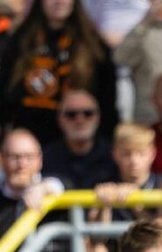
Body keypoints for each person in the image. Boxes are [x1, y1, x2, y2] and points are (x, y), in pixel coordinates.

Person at [0, 0, 118, 145]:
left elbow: (107, 100)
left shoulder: (92, 44)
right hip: (29, 141)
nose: (59, 2)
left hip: (76, 143)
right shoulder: (21, 41)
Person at [42, 88, 118, 191]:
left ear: (98, 117)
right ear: (59, 119)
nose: (80, 120)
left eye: (88, 113)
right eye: (71, 114)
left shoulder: (114, 156)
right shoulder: (45, 158)